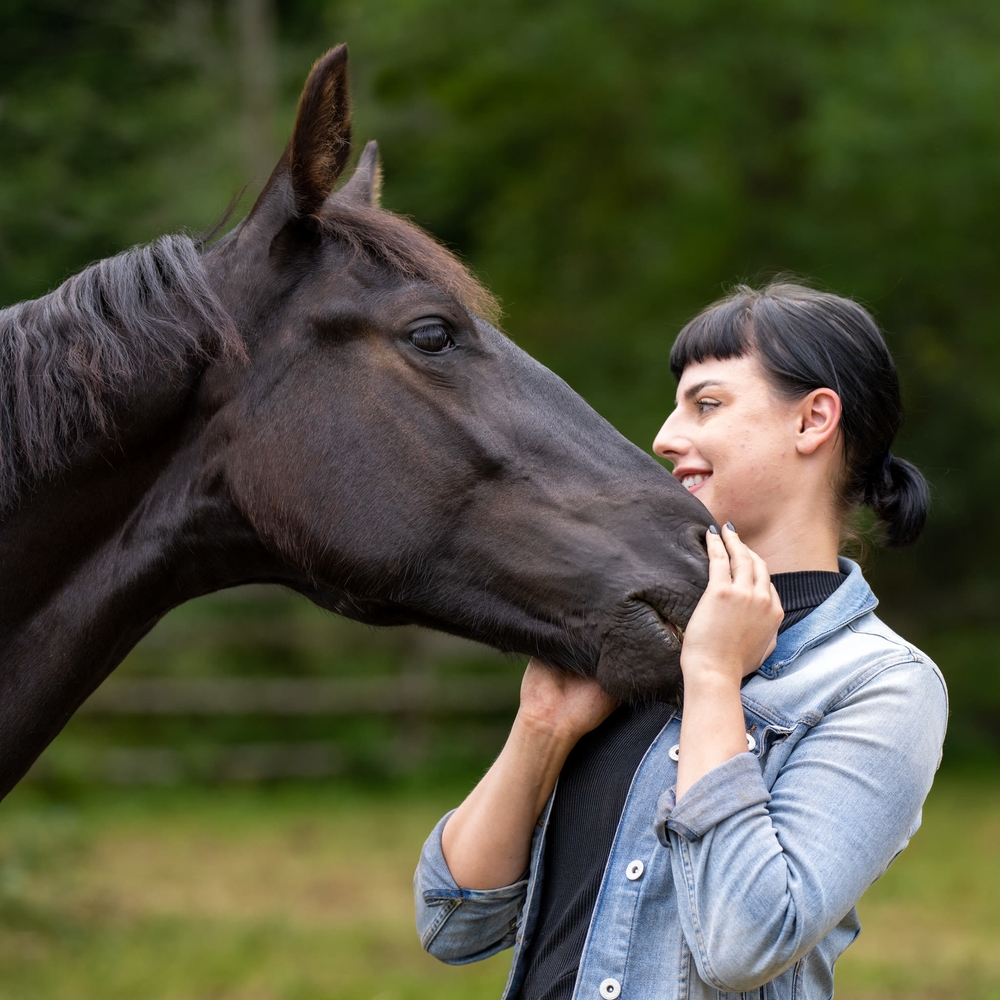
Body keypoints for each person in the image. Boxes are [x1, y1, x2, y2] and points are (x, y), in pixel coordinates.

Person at [413, 282, 948, 1000]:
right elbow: (452, 924)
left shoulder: (880, 686)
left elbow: (744, 943)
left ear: (813, 419)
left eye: (708, 404)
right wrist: (542, 724)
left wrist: (714, 679)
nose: (664, 437)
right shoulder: (634, 634)